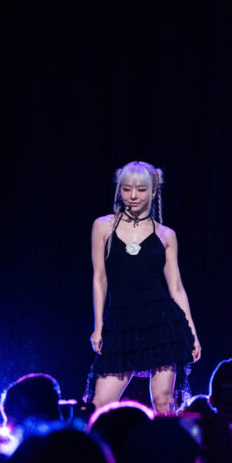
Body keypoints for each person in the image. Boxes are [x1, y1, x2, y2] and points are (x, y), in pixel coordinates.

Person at [89, 161, 200, 414]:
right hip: (120, 321)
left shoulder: (165, 234)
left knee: (163, 401)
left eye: (140, 189)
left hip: (161, 322)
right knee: (101, 403)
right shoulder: (103, 226)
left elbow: (177, 288)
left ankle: (165, 452)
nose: (133, 196)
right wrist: (99, 326)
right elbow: (100, 278)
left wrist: (191, 331)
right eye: (126, 189)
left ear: (153, 190)